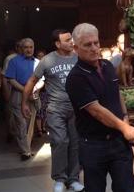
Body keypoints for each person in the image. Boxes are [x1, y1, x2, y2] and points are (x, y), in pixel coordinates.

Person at [66, 23, 134, 192]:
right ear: (76, 48)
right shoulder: (75, 77)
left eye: (96, 43)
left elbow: (117, 93)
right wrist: (124, 127)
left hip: (118, 142)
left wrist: (125, 118)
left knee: (127, 188)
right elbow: (96, 111)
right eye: (87, 45)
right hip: (93, 145)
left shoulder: (107, 66)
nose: (94, 48)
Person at [22, 30, 83, 192]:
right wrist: (24, 103)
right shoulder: (48, 60)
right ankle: (60, 178)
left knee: (75, 143)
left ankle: (74, 179)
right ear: (57, 44)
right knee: (60, 141)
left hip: (76, 109)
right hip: (55, 109)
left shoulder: (79, 57)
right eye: (67, 39)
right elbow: (32, 80)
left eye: (72, 39)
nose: (72, 41)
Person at [5, 38, 38, 160]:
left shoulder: (38, 62)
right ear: (21, 49)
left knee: (29, 124)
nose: (29, 50)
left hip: (33, 95)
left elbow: (42, 80)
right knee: (21, 124)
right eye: (26, 47)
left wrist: (34, 89)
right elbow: (11, 79)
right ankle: (26, 151)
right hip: (18, 94)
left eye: (31, 47)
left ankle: (27, 148)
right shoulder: (14, 61)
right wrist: (25, 90)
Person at [1, 40, 21, 143]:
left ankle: (22, 139)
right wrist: (6, 92)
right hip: (11, 90)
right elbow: (4, 76)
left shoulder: (30, 59)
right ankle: (10, 132)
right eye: (19, 46)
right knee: (10, 114)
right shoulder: (10, 59)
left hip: (24, 91)